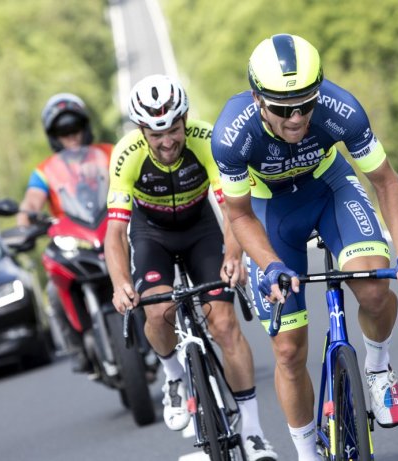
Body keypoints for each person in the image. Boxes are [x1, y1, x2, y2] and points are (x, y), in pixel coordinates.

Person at [211, 34, 398, 461]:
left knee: (372, 287)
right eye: (281, 108)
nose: (296, 118)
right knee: (289, 349)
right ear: (257, 100)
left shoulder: (340, 108)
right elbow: (238, 215)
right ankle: (307, 453)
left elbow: (386, 180)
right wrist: (271, 264)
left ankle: (378, 364)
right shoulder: (231, 135)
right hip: (270, 210)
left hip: (330, 189)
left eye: (305, 105)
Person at [105, 74, 277, 461]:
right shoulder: (126, 154)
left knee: (224, 324)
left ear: (184, 120)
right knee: (158, 310)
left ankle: (253, 432)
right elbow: (115, 233)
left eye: (174, 131)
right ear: (141, 131)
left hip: (200, 229)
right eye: (156, 134)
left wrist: (234, 256)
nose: (167, 142)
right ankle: (173, 377)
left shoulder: (207, 139)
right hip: (152, 235)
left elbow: (235, 208)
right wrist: (119, 284)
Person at [17, 93, 112, 373]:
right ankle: (79, 349)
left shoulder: (109, 153)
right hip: (74, 240)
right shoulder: (45, 171)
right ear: (54, 136)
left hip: (113, 229)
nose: (71, 136)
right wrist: (25, 223)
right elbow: (32, 201)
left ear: (85, 128)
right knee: (54, 291)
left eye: (75, 128)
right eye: (63, 131)